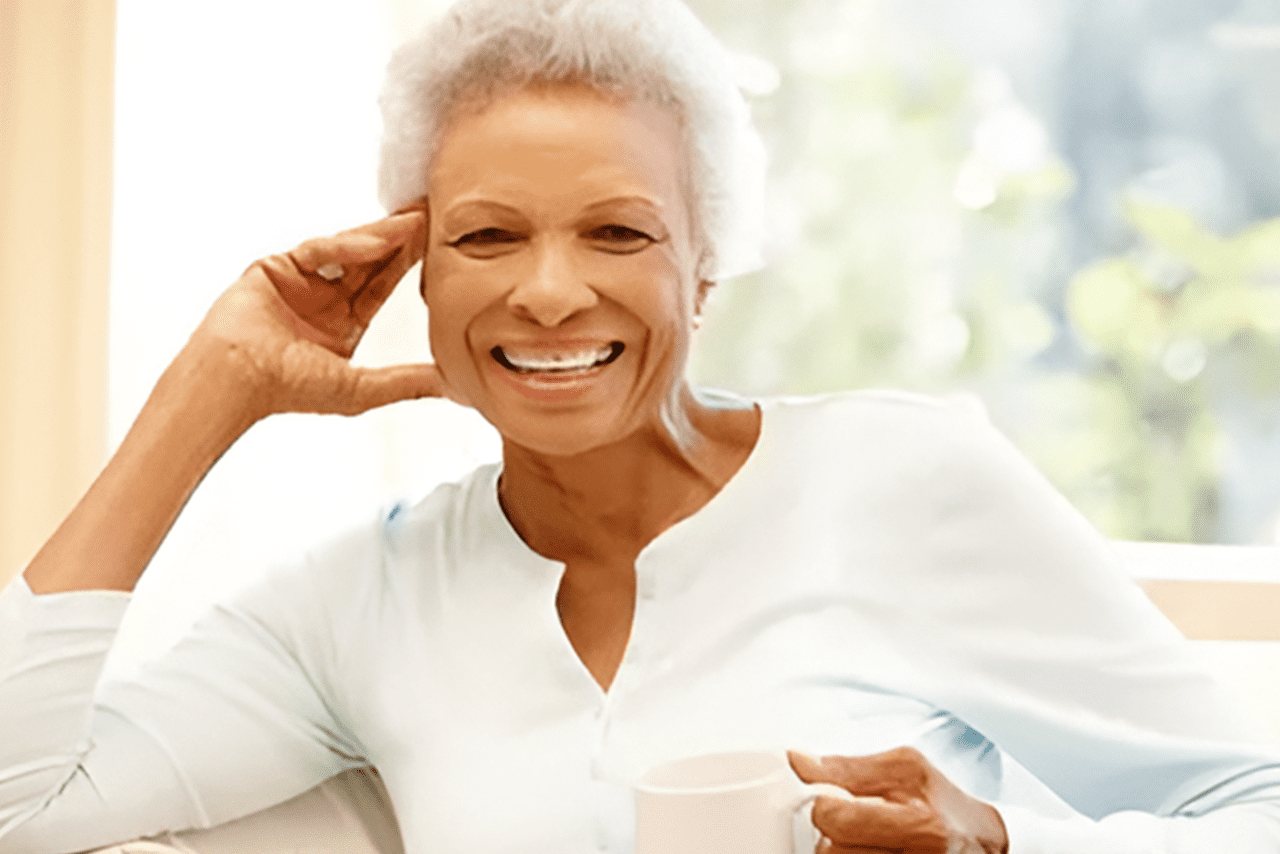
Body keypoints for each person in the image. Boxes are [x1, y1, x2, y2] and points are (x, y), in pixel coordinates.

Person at [2, 0, 1279, 852]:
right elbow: (21, 802)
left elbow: (1250, 801)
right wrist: (206, 391)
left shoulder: (900, 479)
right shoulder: (364, 596)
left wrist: (1006, 839)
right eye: (487, 235)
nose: (549, 290)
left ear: (703, 272)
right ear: (419, 275)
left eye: (618, 231)